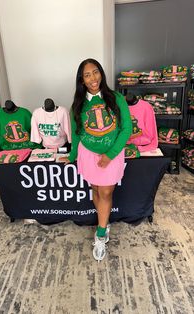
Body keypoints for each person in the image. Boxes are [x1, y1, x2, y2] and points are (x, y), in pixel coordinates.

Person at [61, 58, 132, 261]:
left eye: (96, 72)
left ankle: (100, 235)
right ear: (81, 80)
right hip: (88, 153)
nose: (93, 78)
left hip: (112, 153)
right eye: (87, 75)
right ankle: (104, 222)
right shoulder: (78, 104)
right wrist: (73, 155)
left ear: (101, 73)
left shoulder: (116, 98)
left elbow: (126, 129)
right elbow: (76, 133)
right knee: (95, 189)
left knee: (106, 190)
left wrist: (110, 154)